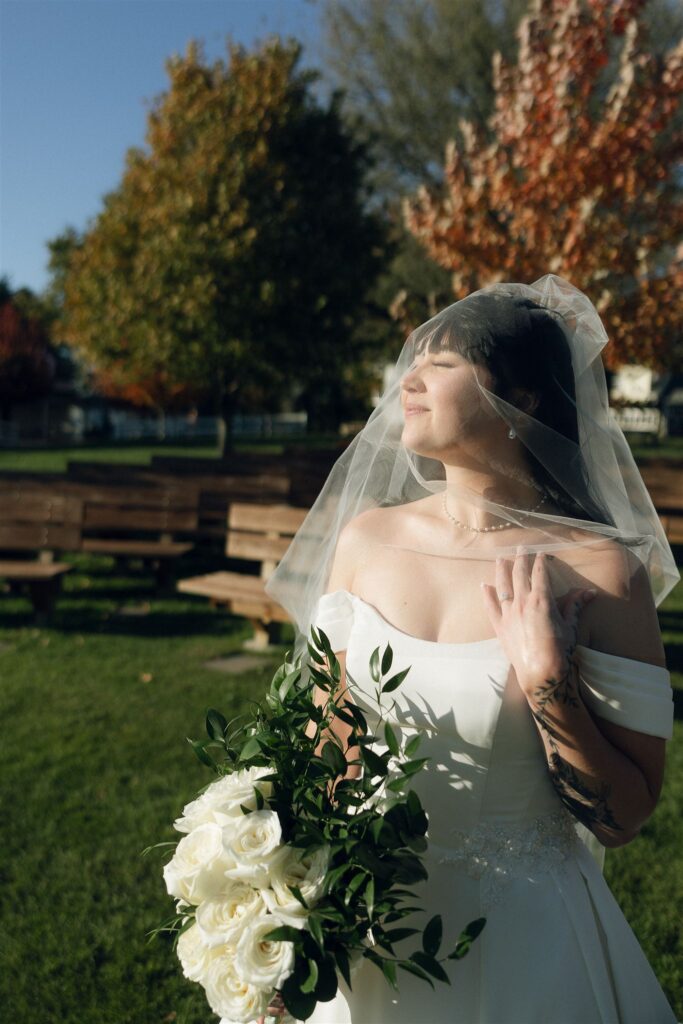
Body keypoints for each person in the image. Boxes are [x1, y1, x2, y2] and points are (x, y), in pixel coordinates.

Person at [261, 274, 679, 1023]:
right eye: (410, 361)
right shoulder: (365, 541)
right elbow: (327, 743)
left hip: (523, 944)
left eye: (442, 364)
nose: (407, 381)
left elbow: (621, 818)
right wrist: (279, 899)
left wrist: (548, 682)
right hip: (366, 923)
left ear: (523, 400)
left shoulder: (600, 572)